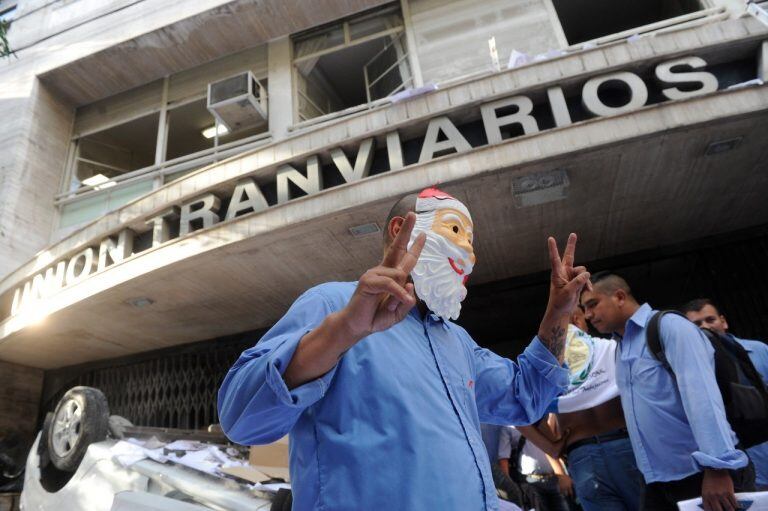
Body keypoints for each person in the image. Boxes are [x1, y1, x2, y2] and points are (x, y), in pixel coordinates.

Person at [217, 187, 592, 511]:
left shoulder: (455, 341)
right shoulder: (332, 304)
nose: (468, 252)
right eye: (456, 230)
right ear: (403, 230)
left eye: (471, 241)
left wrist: (557, 313)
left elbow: (525, 396)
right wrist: (343, 331)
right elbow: (241, 418)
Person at [580, 272, 754, 511]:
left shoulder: (669, 327)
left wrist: (718, 468)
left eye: (592, 304)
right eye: (585, 308)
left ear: (619, 297)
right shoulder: (620, 346)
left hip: (705, 475)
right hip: (658, 481)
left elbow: (702, 398)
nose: (588, 315)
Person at [520, 306, 643, 511]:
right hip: (625, 445)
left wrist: (551, 447)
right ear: (577, 318)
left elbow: (516, 414)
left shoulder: (547, 371)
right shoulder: (613, 349)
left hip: (583, 457)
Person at [681, 298, 768, 492]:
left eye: (710, 319)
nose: (705, 327)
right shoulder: (689, 368)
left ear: (724, 321)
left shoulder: (759, 351)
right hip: (741, 468)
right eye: (696, 325)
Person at [498, 424, 571, 511]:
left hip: (555, 480)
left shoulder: (545, 418)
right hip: (529, 483)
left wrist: (562, 475)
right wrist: (510, 486)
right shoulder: (508, 426)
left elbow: (557, 448)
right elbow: (503, 458)